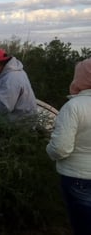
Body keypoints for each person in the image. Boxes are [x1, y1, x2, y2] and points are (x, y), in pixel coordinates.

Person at [46, 58, 91, 235]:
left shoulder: (73, 106)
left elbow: (60, 148)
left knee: (84, 227)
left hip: (79, 178)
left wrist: (48, 149)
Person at [0, 48, 37, 120]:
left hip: (20, 124)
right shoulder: (15, 72)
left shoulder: (11, 78)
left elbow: (4, 106)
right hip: (22, 120)